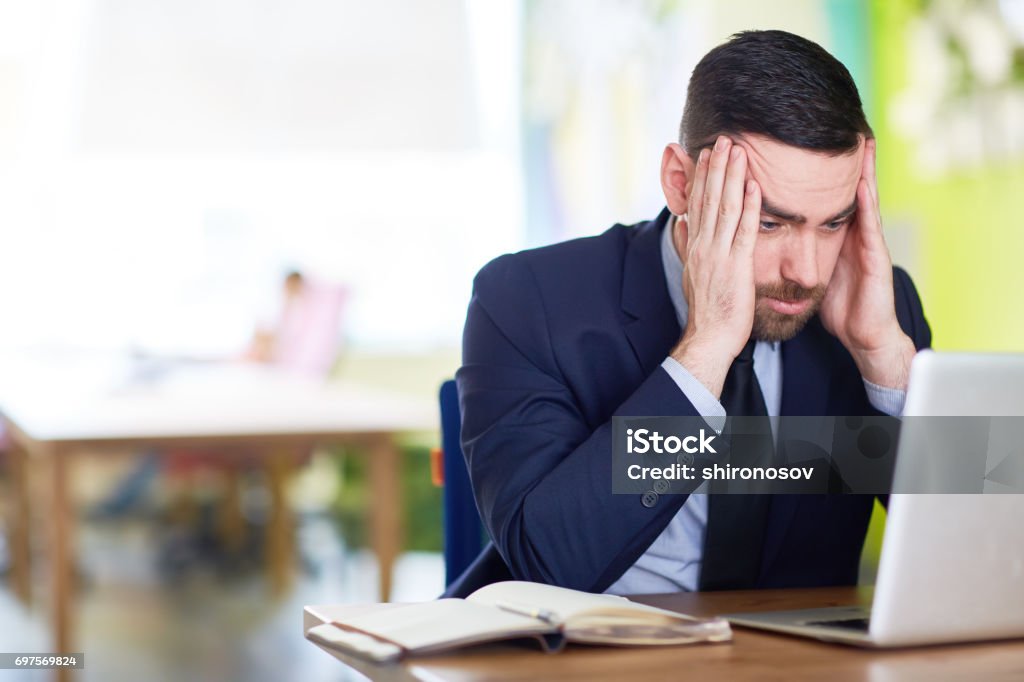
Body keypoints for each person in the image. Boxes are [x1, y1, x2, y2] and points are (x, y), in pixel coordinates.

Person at [446, 30, 931, 598]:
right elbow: (549, 564)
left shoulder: (878, 307)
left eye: (832, 223)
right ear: (682, 184)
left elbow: (983, 556)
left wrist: (887, 363)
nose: (806, 271)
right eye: (770, 223)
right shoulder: (528, 298)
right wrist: (704, 352)